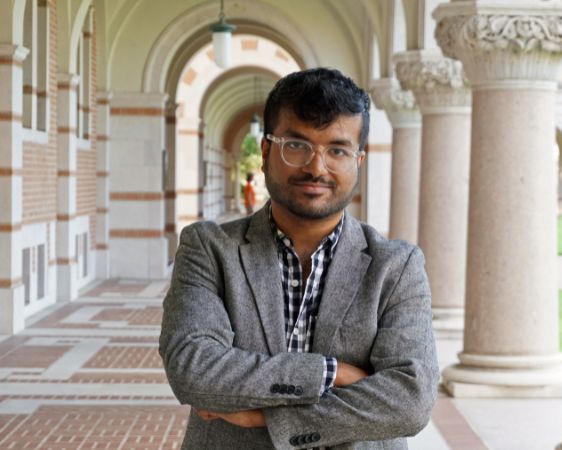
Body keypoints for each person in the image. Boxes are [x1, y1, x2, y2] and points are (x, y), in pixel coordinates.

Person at [159, 68, 438, 450]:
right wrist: (332, 373)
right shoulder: (209, 248)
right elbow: (193, 370)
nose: (316, 167)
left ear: (358, 161)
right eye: (297, 145)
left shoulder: (396, 267)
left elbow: (410, 402)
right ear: (266, 152)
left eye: (336, 150)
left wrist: (266, 416)